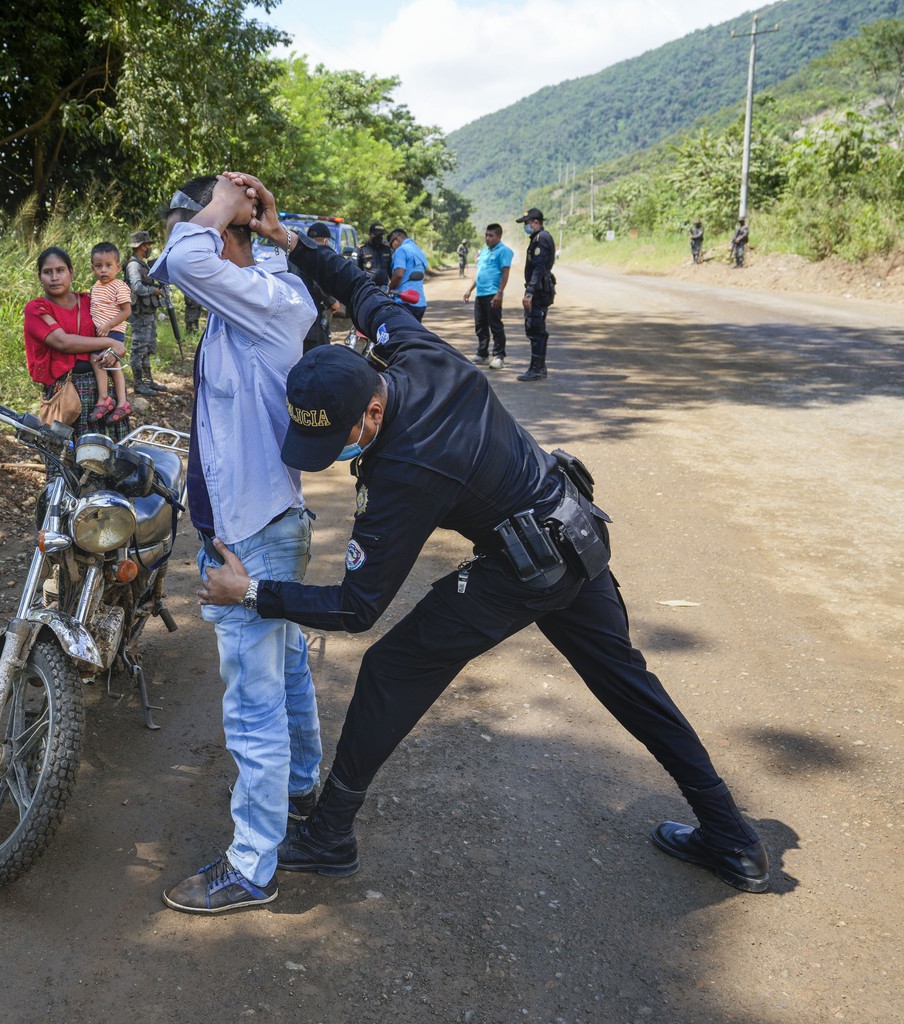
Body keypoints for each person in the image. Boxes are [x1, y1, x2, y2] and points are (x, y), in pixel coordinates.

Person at [197, 171, 771, 897]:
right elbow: (361, 287)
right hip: (574, 531)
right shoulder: (413, 351)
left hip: (523, 565)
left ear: (369, 418)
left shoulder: (404, 468)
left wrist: (253, 594)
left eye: (336, 441)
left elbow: (357, 608)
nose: (331, 458)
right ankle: (734, 838)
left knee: (390, 666)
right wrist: (287, 240)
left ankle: (331, 834)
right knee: (630, 687)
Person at [150, 174, 322, 914]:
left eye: (196, 224)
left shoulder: (265, 309)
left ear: (222, 235)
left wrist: (225, 208)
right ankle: (301, 783)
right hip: (258, 522)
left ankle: (252, 864)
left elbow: (182, 261)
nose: (183, 239)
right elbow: (193, 264)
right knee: (284, 671)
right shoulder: (253, 301)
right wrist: (265, 227)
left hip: (253, 533)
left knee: (253, 706)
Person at [22, 247, 130, 441]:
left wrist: (114, 349)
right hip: (64, 395)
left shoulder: (91, 301)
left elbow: (117, 323)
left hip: (103, 392)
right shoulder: (37, 309)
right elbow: (63, 342)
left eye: (60, 270)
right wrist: (110, 342)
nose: (54, 277)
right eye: (48, 272)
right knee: (66, 458)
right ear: (40, 276)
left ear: (71, 272)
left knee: (108, 459)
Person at [88, 242, 133, 423]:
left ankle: (107, 399)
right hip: (102, 335)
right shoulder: (96, 287)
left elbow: (126, 311)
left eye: (108, 266)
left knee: (99, 361)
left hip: (113, 333)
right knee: (110, 365)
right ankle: (119, 402)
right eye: (98, 266)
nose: (103, 270)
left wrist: (107, 325)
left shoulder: (119, 286)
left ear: (118, 267)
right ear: (93, 268)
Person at [461, 223, 513, 369]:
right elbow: (478, 273)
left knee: (495, 325)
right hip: (481, 293)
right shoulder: (484, 251)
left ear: (499, 236)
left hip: (493, 294)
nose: (488, 238)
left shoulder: (504, 251)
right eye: (486, 235)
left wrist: (499, 293)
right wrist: (469, 290)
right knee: (480, 325)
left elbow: (505, 273)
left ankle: (498, 356)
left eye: (491, 235)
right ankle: (482, 353)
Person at [124, 230, 168, 395]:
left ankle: (148, 381)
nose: (149, 247)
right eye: (148, 245)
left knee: (148, 347)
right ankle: (138, 383)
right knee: (139, 348)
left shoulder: (142, 264)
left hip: (147, 312)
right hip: (140, 314)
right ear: (142, 246)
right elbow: (136, 287)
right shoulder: (134, 265)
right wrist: (154, 290)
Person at [516, 207, 555, 382]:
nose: (526, 226)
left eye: (527, 223)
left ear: (536, 222)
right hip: (539, 288)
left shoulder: (541, 239)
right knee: (534, 327)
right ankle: (539, 367)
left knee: (536, 328)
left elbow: (539, 267)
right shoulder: (539, 238)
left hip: (539, 290)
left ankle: (537, 369)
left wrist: (530, 291)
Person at [302, 222, 341, 351]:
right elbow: (316, 284)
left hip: (293, 319)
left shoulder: (294, 255)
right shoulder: (318, 257)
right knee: (319, 357)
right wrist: (332, 302)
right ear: (325, 241)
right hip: (313, 319)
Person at [388, 228, 429, 322]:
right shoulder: (417, 249)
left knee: (400, 334)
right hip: (419, 302)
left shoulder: (401, 250)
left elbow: (399, 274)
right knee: (414, 334)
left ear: (397, 238)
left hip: (404, 302)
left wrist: (389, 288)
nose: (392, 248)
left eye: (391, 244)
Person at [363, 223, 394, 291]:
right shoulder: (362, 249)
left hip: (384, 288)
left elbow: (390, 270)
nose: (378, 237)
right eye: (376, 234)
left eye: (381, 235)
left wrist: (393, 285)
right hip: (367, 287)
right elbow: (356, 269)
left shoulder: (387, 249)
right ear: (370, 234)